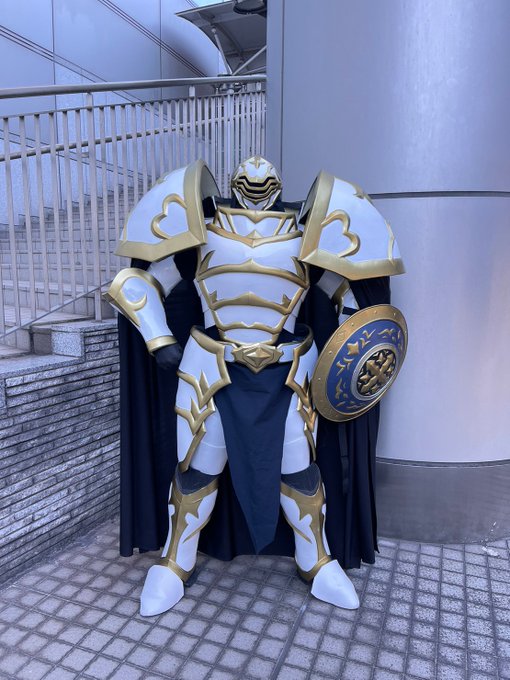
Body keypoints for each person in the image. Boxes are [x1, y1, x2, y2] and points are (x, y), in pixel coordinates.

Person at [105, 156, 405, 617]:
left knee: (299, 472)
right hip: (210, 369)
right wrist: (159, 337)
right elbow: (137, 283)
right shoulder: (200, 233)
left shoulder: (307, 235)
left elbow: (344, 292)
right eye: (248, 180)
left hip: (288, 374)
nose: (256, 184)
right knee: (196, 471)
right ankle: (175, 561)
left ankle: (315, 560)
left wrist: (353, 341)